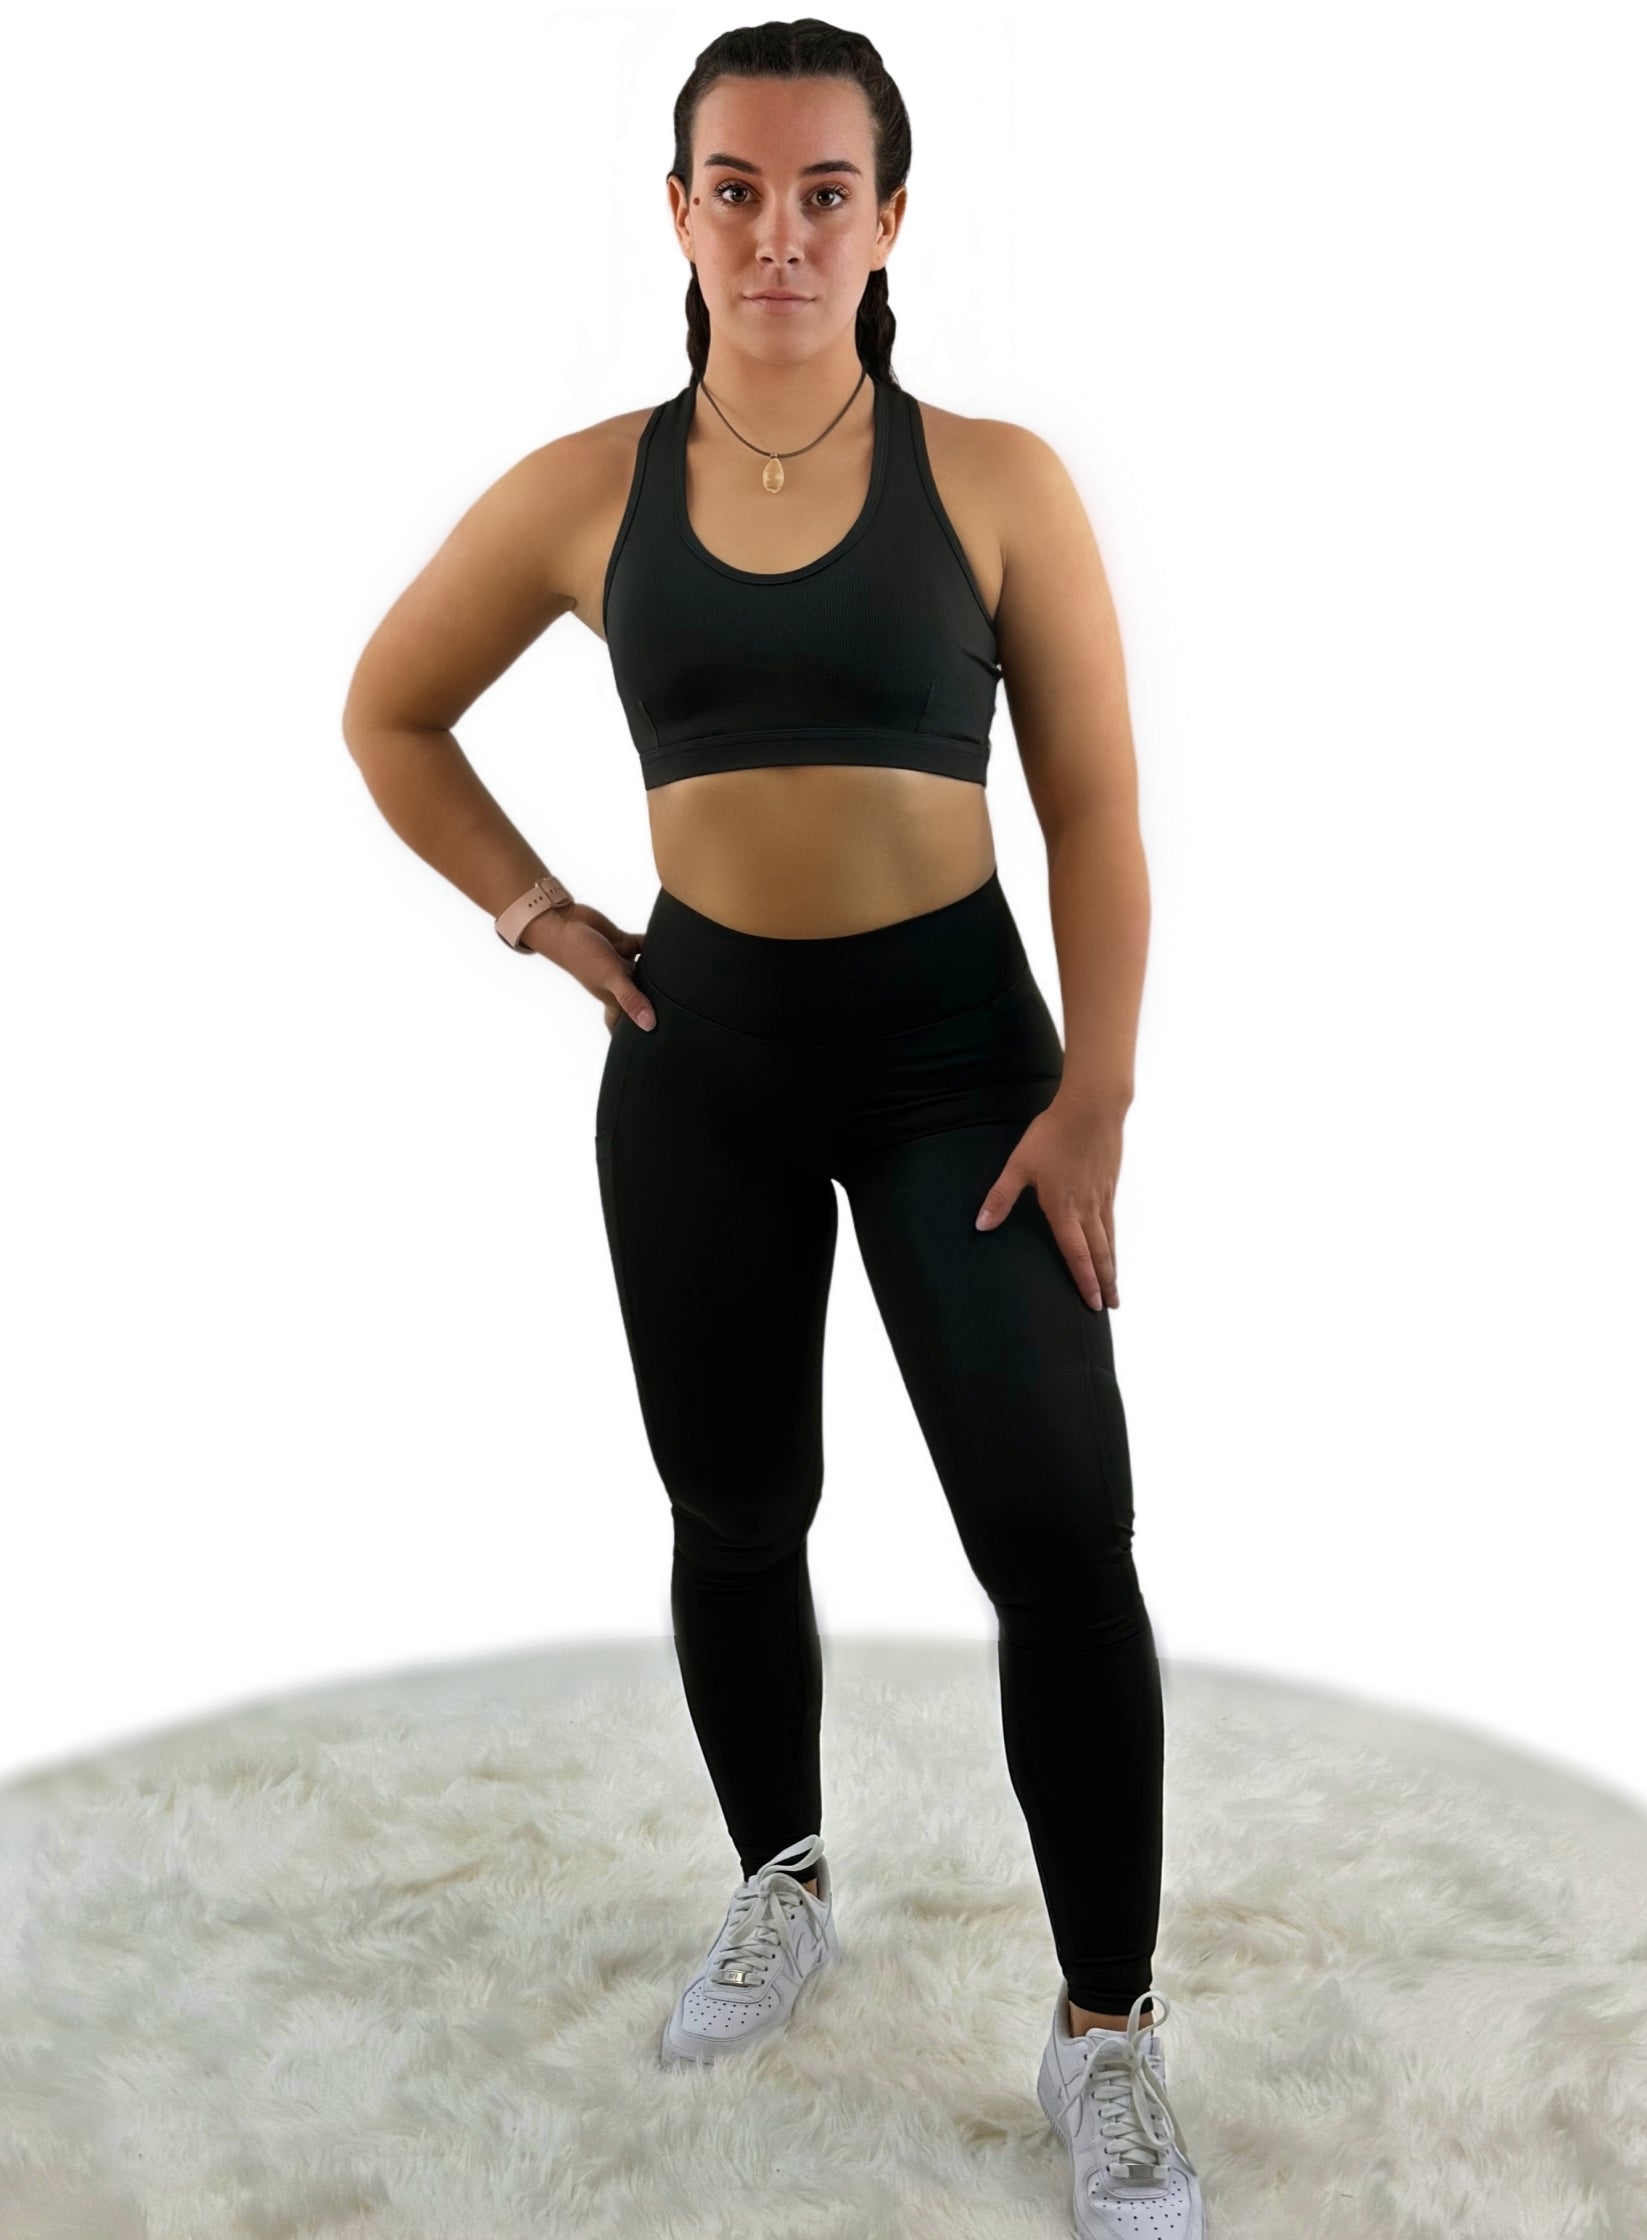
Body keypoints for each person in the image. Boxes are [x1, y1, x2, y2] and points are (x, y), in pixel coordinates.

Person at [342, 22, 1208, 2238]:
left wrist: (1096, 1091)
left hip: (959, 1069)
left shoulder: (996, 478)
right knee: (735, 1507)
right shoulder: (584, 489)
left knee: (1056, 1528)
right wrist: (541, 916)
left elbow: (1099, 815)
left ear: (890, 220)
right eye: (735, 188)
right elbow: (391, 709)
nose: (779, 232)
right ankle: (782, 1882)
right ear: (677, 213)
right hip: (702, 1059)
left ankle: (1106, 2029)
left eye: (827, 191)